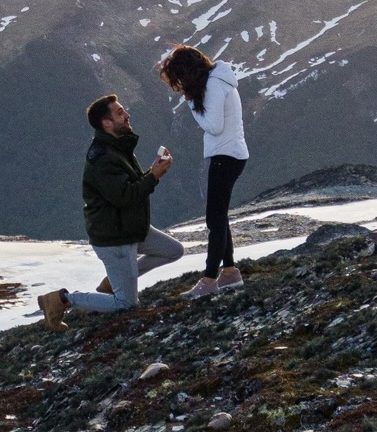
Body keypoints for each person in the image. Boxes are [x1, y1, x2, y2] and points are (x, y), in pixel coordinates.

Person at [37, 94, 184, 328]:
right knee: (126, 304)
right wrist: (154, 176)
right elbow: (124, 197)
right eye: (120, 113)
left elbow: (129, 186)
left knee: (173, 250)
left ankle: (113, 282)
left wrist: (153, 172)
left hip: (130, 227)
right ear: (106, 123)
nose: (127, 115)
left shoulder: (118, 147)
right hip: (115, 238)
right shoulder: (103, 158)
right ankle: (61, 299)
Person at [158, 44, 247, 296]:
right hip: (230, 154)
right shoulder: (219, 80)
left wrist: (191, 105)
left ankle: (209, 281)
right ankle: (229, 273)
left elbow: (214, 126)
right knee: (219, 216)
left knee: (214, 219)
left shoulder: (217, 85)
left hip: (225, 156)